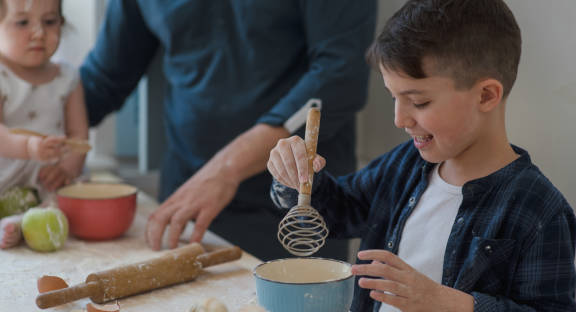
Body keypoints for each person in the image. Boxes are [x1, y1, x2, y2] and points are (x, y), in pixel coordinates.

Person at [267, 0, 576, 312]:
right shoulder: (405, 164)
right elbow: (339, 211)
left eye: (418, 102)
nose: (399, 118)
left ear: (486, 95)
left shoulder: (538, 208)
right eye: (393, 97)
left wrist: (446, 304)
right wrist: (292, 178)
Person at [80, 0, 376, 261]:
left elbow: (341, 75)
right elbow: (104, 78)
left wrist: (226, 169)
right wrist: (41, 131)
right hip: (188, 202)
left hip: (295, 208)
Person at [0, 0, 88, 248]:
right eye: (22, 22)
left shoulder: (67, 77)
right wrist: (28, 147)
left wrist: (68, 169)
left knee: (70, 202)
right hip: (8, 174)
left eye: (49, 22)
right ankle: (13, 222)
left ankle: (27, 223)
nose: (39, 33)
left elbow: (79, 135)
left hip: (50, 176)